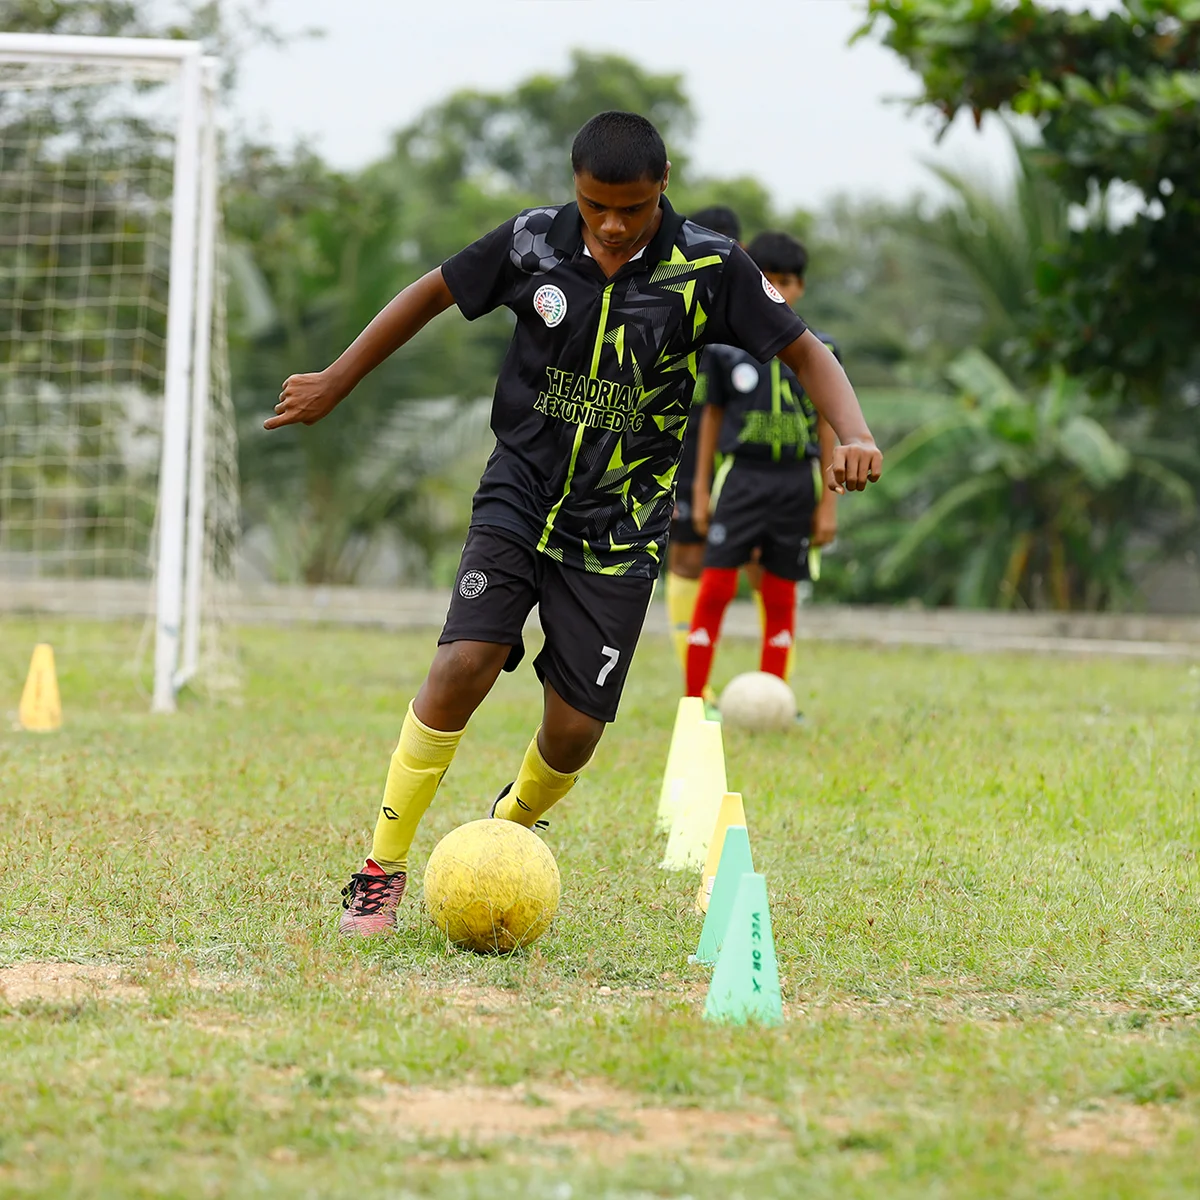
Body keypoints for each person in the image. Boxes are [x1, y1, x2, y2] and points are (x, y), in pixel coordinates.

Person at [267, 112, 882, 937]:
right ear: (575, 187)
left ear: (663, 186)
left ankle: (507, 830)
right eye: (596, 206)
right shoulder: (533, 242)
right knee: (462, 663)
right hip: (519, 492)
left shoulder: (710, 266)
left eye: (632, 207)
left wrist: (855, 432)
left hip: (621, 523)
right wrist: (339, 378)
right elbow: (433, 291)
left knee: (574, 731)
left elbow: (806, 351)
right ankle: (380, 869)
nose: (613, 225)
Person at [685, 231, 839, 699]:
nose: (779, 290)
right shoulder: (725, 349)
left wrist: (828, 505)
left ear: (801, 287)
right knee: (716, 588)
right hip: (742, 479)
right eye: (768, 280)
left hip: (796, 482)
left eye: (788, 282)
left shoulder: (821, 351)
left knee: (780, 594)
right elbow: (710, 421)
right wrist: (700, 491)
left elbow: (828, 427)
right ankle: (694, 698)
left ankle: (775, 697)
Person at [664, 205, 743, 682]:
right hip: (678, 452)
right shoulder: (667, 298)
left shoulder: (747, 315)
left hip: (741, 465)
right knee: (687, 558)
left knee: (758, 567)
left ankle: (773, 677)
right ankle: (694, 683)